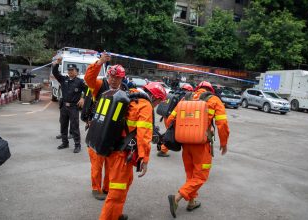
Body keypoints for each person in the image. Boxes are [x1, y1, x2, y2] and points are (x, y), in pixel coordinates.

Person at [86, 52, 166, 220]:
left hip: (112, 149)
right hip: (121, 155)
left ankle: (116, 214)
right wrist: (145, 159)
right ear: (155, 98)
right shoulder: (143, 104)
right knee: (116, 191)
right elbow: (144, 133)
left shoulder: (128, 93)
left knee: (125, 183)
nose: (157, 106)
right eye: (158, 102)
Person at [166, 81, 229, 218]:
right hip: (201, 146)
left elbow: (169, 120)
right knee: (201, 176)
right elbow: (222, 123)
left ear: (197, 89)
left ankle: (192, 202)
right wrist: (223, 143)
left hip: (185, 144)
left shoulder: (186, 98)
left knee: (191, 174)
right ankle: (177, 197)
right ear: (210, 90)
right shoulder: (214, 100)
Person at [84, 55, 128, 201]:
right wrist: (100, 62)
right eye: (112, 77)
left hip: (113, 133)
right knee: (97, 163)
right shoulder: (99, 85)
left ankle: (107, 187)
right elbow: (88, 79)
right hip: (97, 129)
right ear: (108, 75)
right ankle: (96, 188)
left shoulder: (126, 90)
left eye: (118, 78)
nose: (114, 80)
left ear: (122, 78)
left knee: (110, 164)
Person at [52, 58, 85, 153]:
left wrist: (83, 98)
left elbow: (88, 90)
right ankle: (65, 142)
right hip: (64, 106)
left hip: (73, 107)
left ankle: (77, 145)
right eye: (69, 70)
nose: (70, 71)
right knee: (63, 125)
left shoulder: (80, 82)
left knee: (74, 126)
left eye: (72, 70)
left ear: (76, 72)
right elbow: (55, 73)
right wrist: (57, 63)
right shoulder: (64, 79)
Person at [157, 83, 194, 157]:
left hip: (166, 116)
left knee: (169, 133)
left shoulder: (175, 93)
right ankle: (162, 151)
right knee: (171, 135)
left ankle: (160, 142)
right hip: (171, 118)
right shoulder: (183, 97)